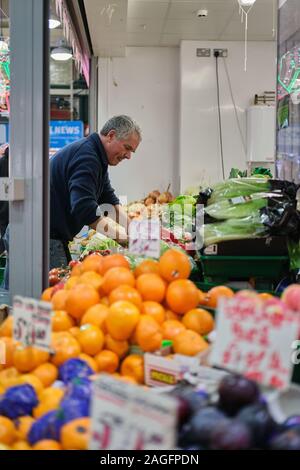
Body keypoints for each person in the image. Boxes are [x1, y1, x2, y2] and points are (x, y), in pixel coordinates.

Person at [50, 115, 141, 269]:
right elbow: (84, 208)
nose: (128, 156)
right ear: (111, 136)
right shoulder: (87, 156)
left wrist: (132, 229)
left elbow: (108, 199)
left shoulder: (97, 157)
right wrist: (123, 239)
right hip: (40, 239)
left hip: (48, 237)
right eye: (127, 148)